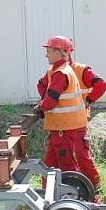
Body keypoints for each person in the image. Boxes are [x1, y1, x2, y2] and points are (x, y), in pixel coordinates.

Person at [35, 35, 91, 194]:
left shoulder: (61, 73)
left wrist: (41, 106)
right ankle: (48, 197)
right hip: (60, 129)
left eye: (49, 51)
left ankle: (77, 197)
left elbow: (51, 101)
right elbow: (43, 86)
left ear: (60, 52)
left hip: (66, 129)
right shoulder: (56, 71)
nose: (46, 55)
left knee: (68, 168)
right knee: (50, 165)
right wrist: (43, 102)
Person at [65, 37, 106, 192]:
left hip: (78, 123)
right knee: (59, 160)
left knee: (82, 157)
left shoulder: (81, 70)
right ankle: (67, 190)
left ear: (68, 52)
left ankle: (96, 189)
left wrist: (88, 101)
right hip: (61, 124)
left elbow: (101, 85)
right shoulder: (54, 72)